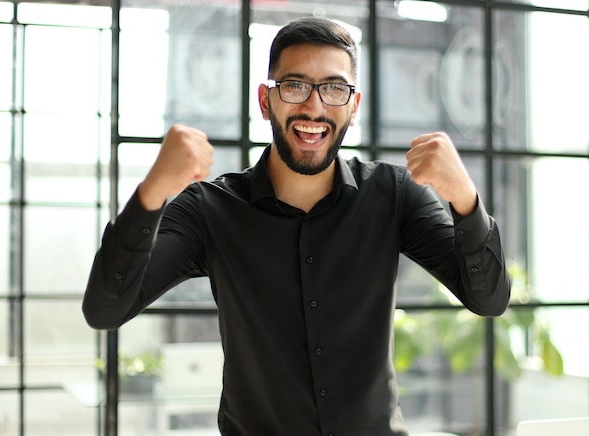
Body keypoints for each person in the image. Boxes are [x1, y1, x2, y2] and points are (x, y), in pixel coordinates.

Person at [83, 17, 511, 436]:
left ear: (353, 106)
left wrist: (465, 199)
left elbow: (488, 299)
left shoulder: (396, 195)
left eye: (334, 88)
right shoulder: (208, 209)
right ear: (266, 100)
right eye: (295, 85)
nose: (314, 106)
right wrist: (152, 192)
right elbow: (106, 309)